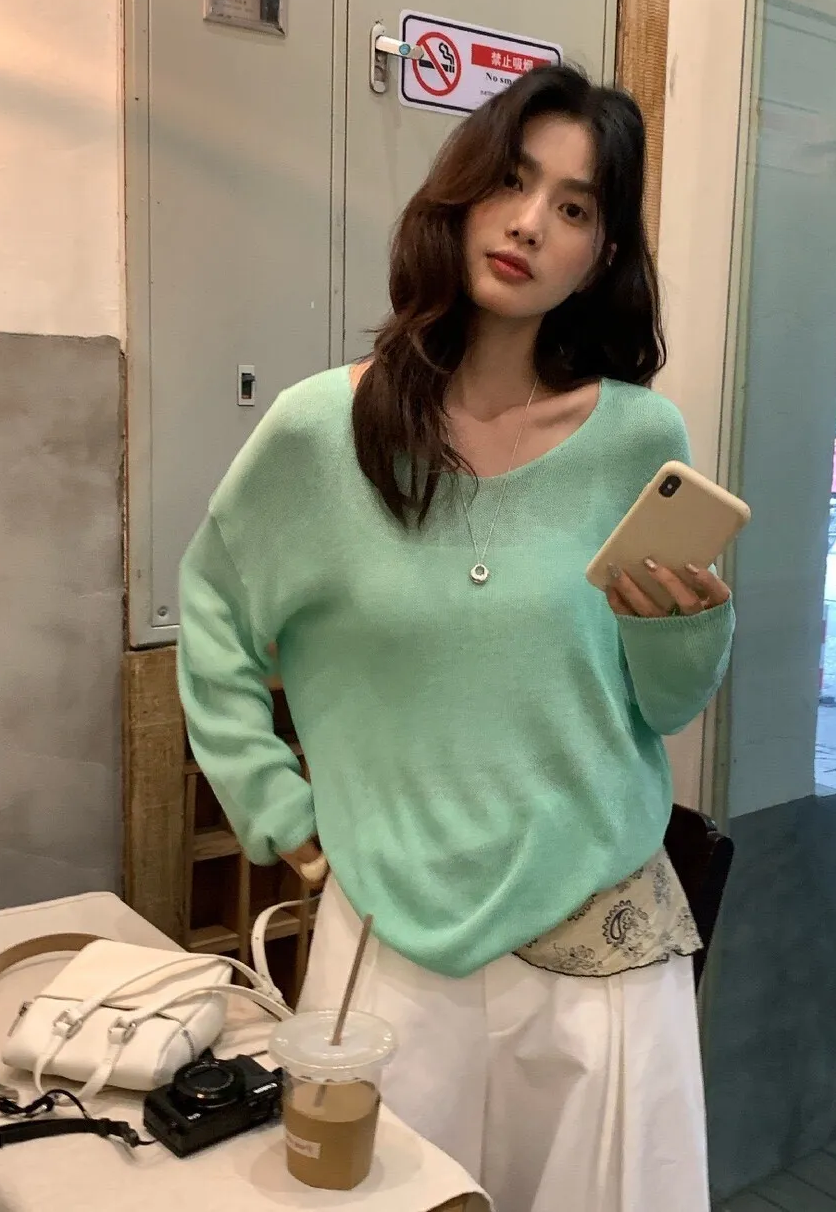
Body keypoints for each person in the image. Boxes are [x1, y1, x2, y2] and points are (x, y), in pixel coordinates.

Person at [177, 64, 735, 1212]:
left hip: (601, 947)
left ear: (603, 254)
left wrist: (688, 624)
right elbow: (214, 616)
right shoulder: (318, 432)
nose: (530, 222)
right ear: (460, 193)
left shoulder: (640, 438)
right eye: (512, 182)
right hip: (389, 943)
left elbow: (666, 705)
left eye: (574, 206)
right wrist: (285, 820)